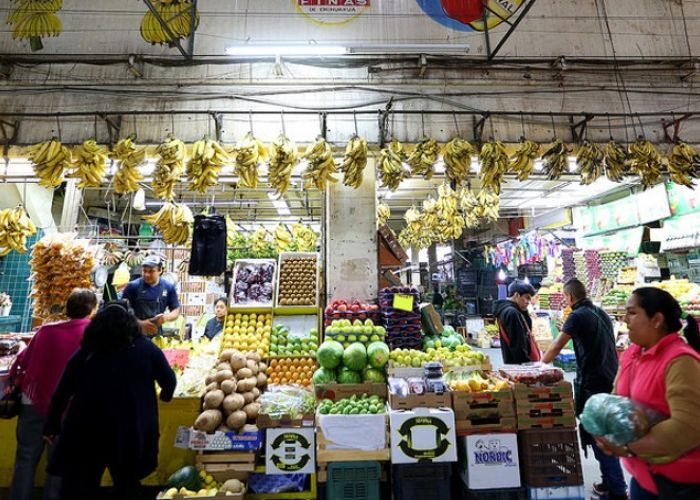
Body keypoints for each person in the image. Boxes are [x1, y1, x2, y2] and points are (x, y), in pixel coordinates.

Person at [43, 300, 177, 500]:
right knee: (127, 484)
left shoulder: (87, 351)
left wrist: (52, 425)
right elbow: (169, 381)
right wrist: (165, 396)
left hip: (88, 431)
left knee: (83, 486)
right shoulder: (145, 348)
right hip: (129, 431)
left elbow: (62, 390)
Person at [595, 287, 700, 500]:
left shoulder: (681, 361)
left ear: (657, 319)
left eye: (632, 313)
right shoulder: (633, 353)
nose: (625, 319)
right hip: (644, 477)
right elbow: (616, 398)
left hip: (680, 485)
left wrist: (626, 445)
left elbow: (686, 428)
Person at [9, 289, 97, 500]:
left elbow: (23, 361)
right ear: (92, 310)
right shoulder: (93, 333)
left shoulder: (46, 331)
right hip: (67, 406)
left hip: (34, 401)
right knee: (57, 462)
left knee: (25, 457)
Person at [542, 279, 626, 500]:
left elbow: (557, 345)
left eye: (564, 297)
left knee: (600, 437)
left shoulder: (577, 316)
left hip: (594, 383)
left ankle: (617, 491)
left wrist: (539, 367)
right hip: (611, 380)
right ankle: (609, 482)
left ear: (570, 297)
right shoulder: (600, 312)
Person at [121, 255, 181, 336]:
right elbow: (122, 312)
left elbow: (176, 310)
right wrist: (140, 323)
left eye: (151, 271)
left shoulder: (168, 287)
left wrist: (165, 317)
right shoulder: (132, 286)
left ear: (160, 270)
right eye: (144, 271)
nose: (146, 275)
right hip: (134, 334)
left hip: (157, 334)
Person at [494, 279, 538, 364]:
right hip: (519, 364)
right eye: (527, 298)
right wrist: (526, 363)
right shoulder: (512, 313)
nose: (529, 302)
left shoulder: (507, 310)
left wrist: (524, 311)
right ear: (516, 295)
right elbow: (518, 343)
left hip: (511, 361)